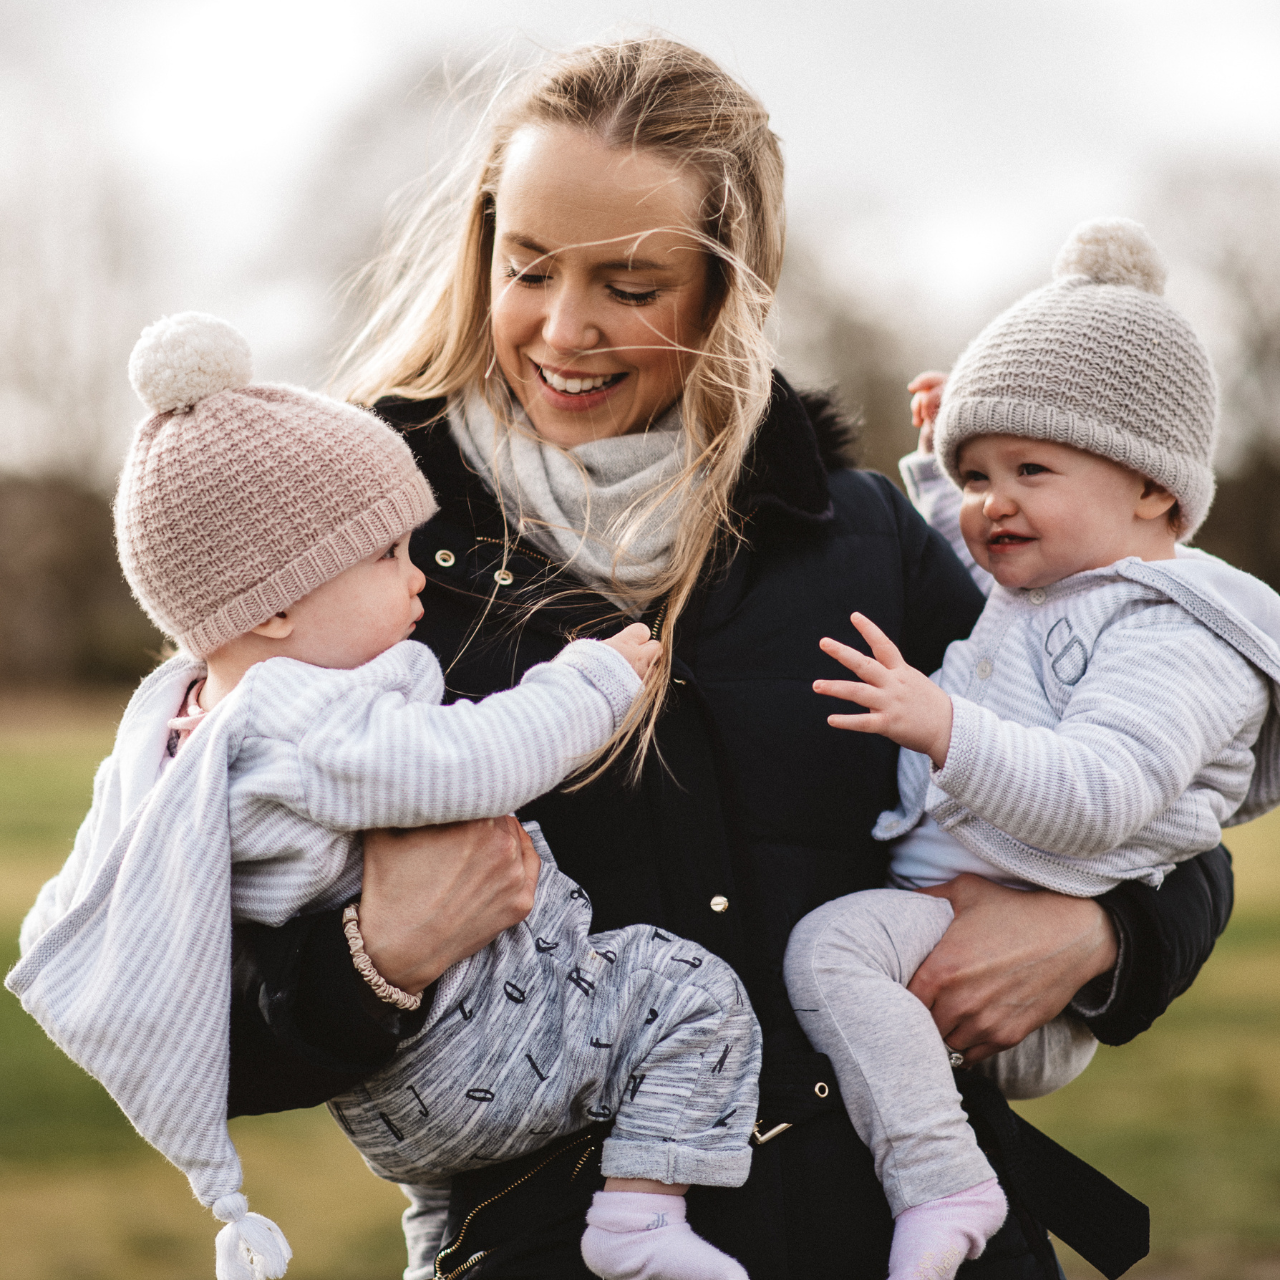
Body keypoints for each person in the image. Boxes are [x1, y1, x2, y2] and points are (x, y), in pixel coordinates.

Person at [225, 41, 1235, 1280]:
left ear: (728, 286)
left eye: (631, 283)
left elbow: (1172, 796)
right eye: (527, 264)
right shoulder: (350, 561)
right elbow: (185, 992)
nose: (563, 325)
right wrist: (372, 961)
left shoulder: (863, 537)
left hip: (921, 1239)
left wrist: (1100, 934)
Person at [7, 312, 762, 1280]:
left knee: (444, 1185)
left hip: (392, 1095)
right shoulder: (302, 718)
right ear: (271, 606)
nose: (417, 577)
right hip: (472, 1039)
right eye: (385, 555)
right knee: (685, 992)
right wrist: (589, 684)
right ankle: (640, 1218)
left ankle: (429, 1251)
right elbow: (470, 757)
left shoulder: (185, 720)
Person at [782, 217, 1280, 1280]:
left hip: (1018, 987)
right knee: (828, 952)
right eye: (976, 472)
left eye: (1028, 465)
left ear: (1153, 488)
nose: (989, 500)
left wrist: (943, 727)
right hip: (968, 927)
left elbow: (1103, 788)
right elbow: (989, 605)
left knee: (827, 951)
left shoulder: (1174, 634)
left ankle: (940, 1180)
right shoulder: (1064, 590)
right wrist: (934, 473)